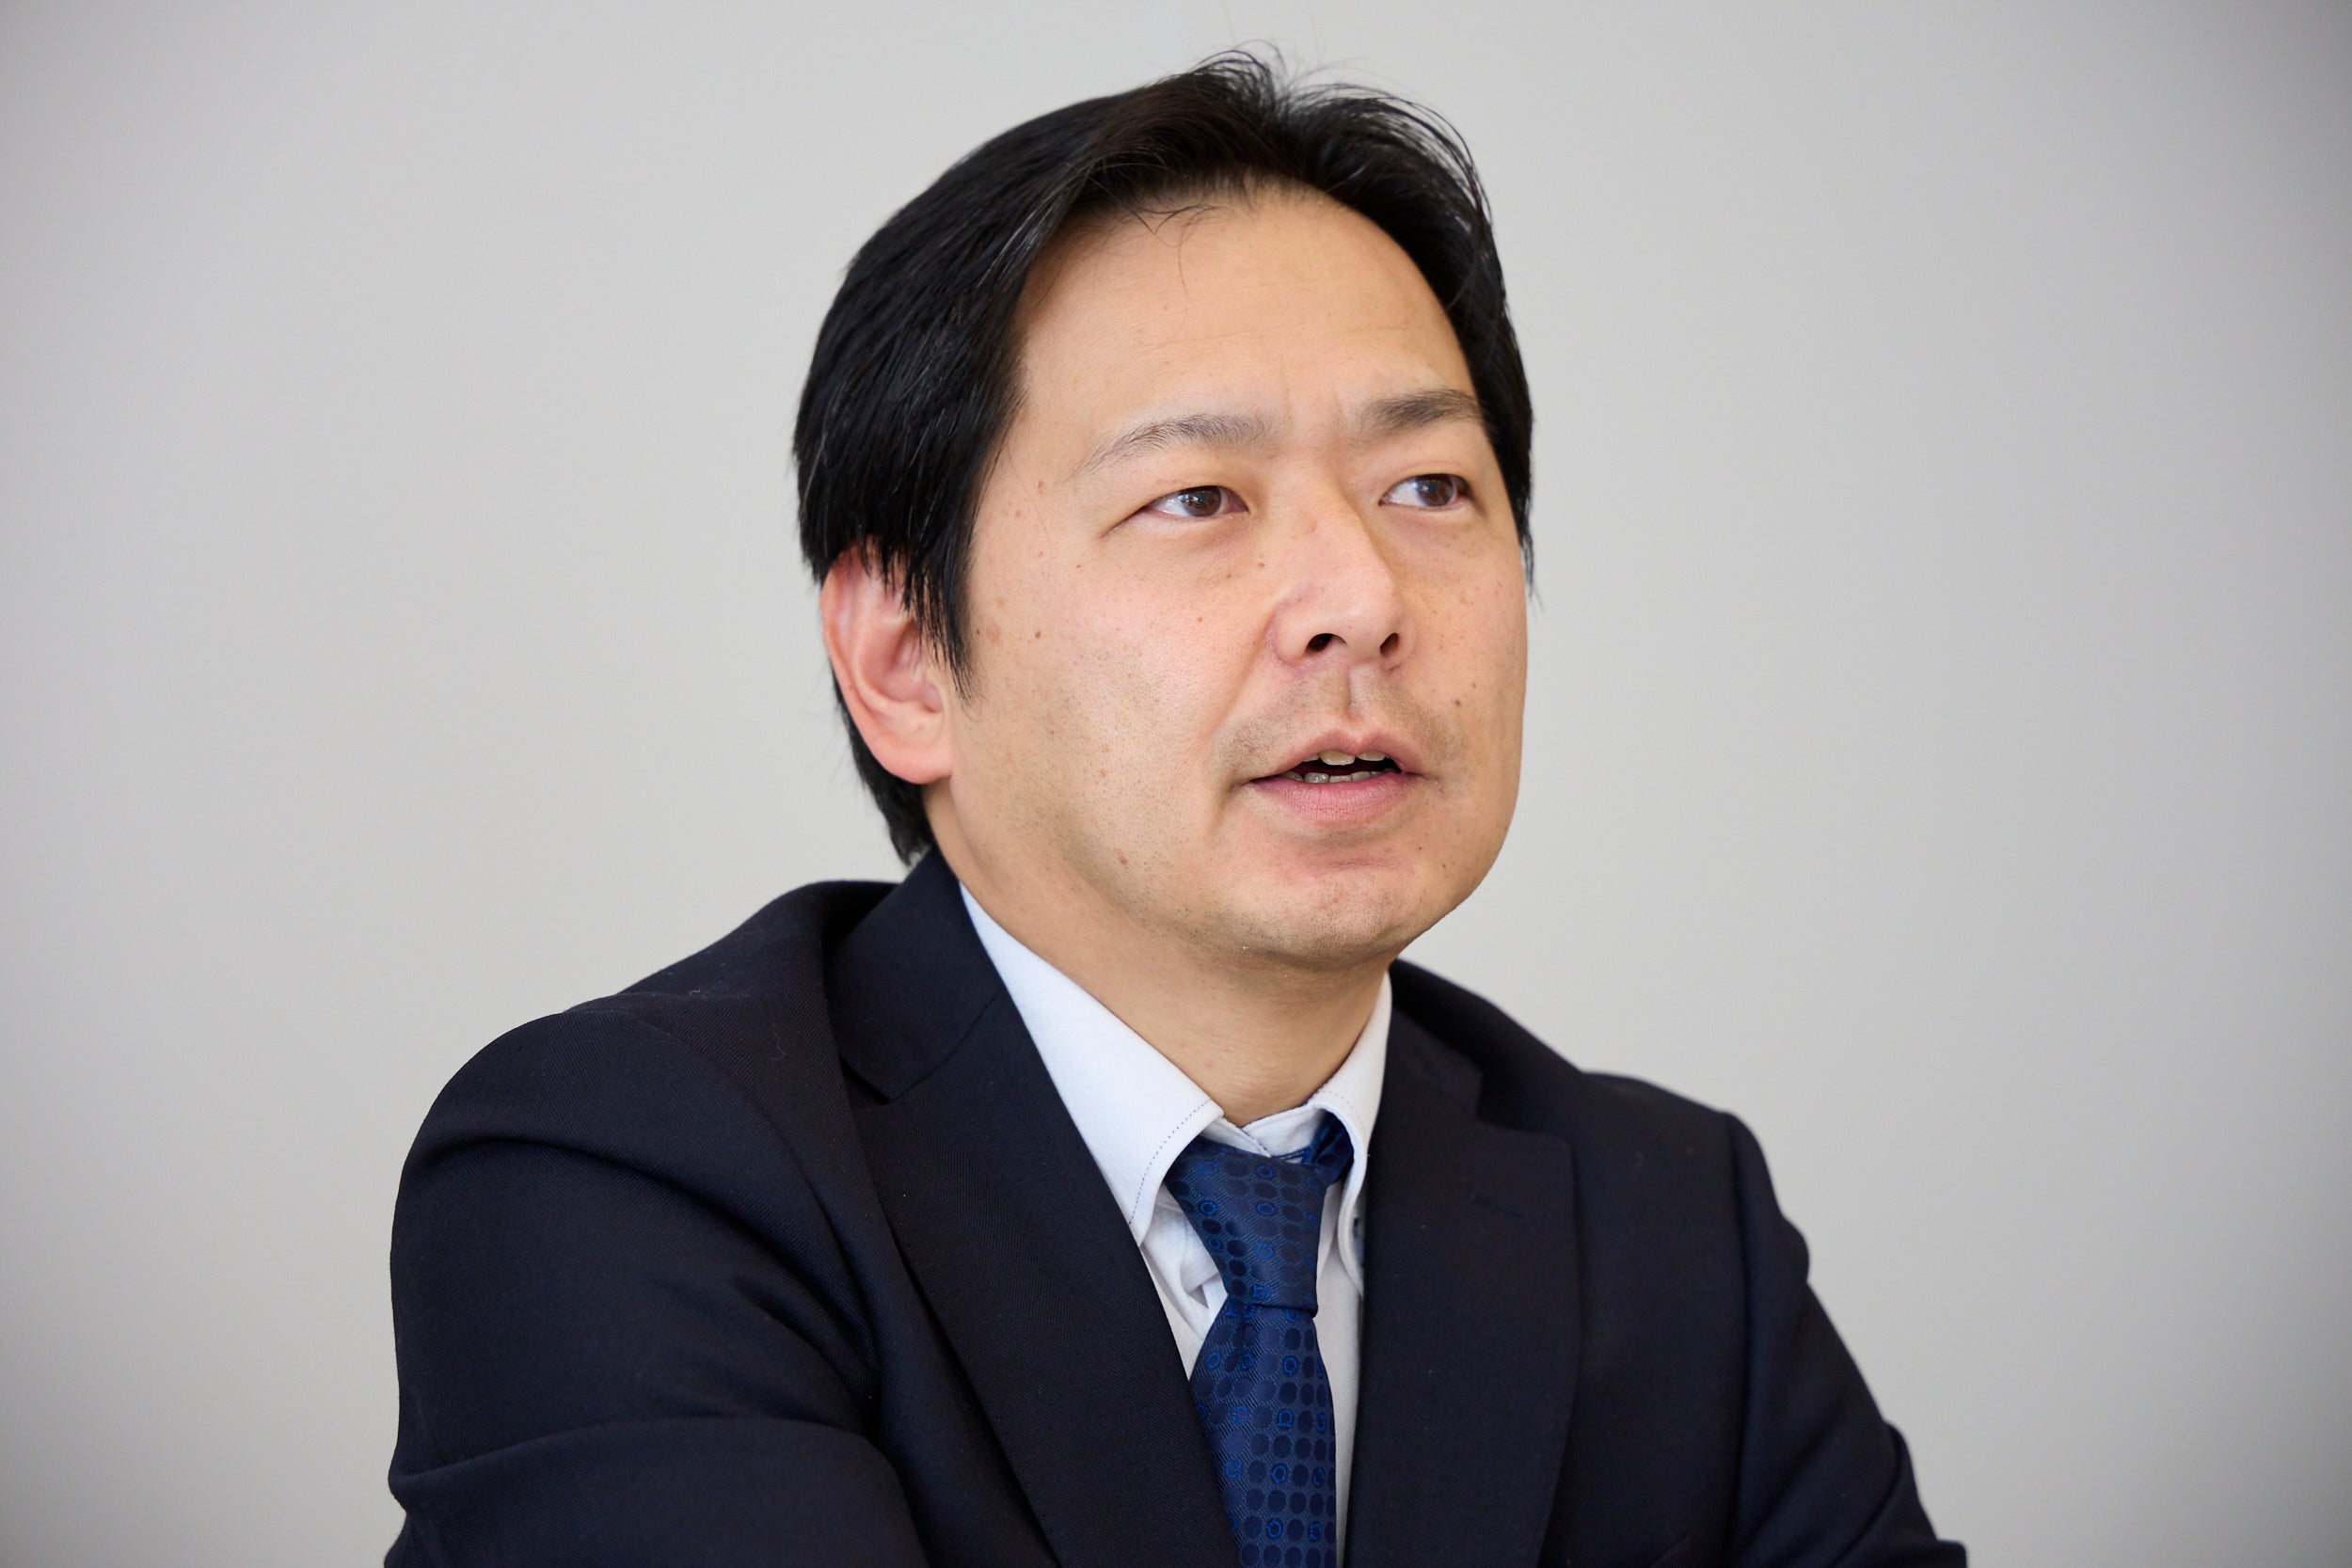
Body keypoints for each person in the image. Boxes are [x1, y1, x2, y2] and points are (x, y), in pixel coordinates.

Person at [385, 55, 1965, 1568]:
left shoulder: (1672, 1225)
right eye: (1197, 498)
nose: (1360, 598)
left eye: (1429, 487)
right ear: (905, 657)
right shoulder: (626, 1175)